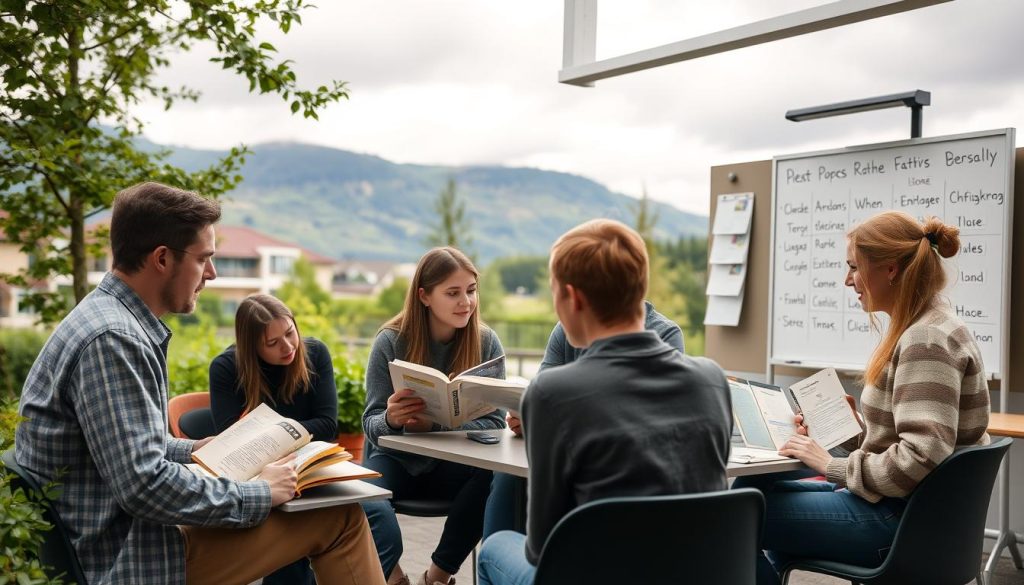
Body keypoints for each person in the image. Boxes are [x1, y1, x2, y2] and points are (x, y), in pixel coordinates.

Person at [15, 182, 385, 585]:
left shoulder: (107, 319)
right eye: (204, 258)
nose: (211, 273)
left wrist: (197, 450)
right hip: (127, 557)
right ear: (161, 258)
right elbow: (143, 486)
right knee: (340, 518)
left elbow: (129, 451)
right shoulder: (114, 340)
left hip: (124, 534)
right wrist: (260, 492)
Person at [736, 211, 991, 585]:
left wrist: (830, 464)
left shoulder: (927, 339)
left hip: (897, 523)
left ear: (889, 269)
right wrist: (854, 430)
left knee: (738, 516)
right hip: (904, 511)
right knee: (750, 492)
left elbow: (921, 456)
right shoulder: (931, 325)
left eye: (854, 267)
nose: (847, 280)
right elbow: (915, 442)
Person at [477, 219, 733, 585]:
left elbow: (542, 547)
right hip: (695, 572)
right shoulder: (712, 380)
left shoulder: (551, 393)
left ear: (574, 298)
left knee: (496, 547)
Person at [209, 294, 401, 584]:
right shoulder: (226, 368)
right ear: (251, 347)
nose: (287, 347)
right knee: (290, 544)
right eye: (272, 343)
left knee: (383, 523)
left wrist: (268, 435)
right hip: (264, 480)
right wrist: (295, 433)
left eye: (289, 333)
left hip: (317, 469)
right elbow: (231, 440)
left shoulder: (314, 353)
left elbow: (327, 426)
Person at [362, 246, 507, 585]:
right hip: (397, 460)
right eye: (453, 293)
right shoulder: (390, 341)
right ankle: (396, 578)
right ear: (425, 296)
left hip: (454, 466)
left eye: (471, 291)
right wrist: (393, 420)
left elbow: (496, 422)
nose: (466, 302)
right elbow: (371, 423)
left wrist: (437, 425)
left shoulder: (486, 342)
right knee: (362, 498)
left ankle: (437, 578)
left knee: (496, 480)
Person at [482, 300, 684, 538]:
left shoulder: (665, 335)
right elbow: (543, 399)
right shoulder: (566, 329)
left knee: (495, 549)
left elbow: (642, 422)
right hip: (570, 461)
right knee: (510, 475)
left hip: (624, 478)